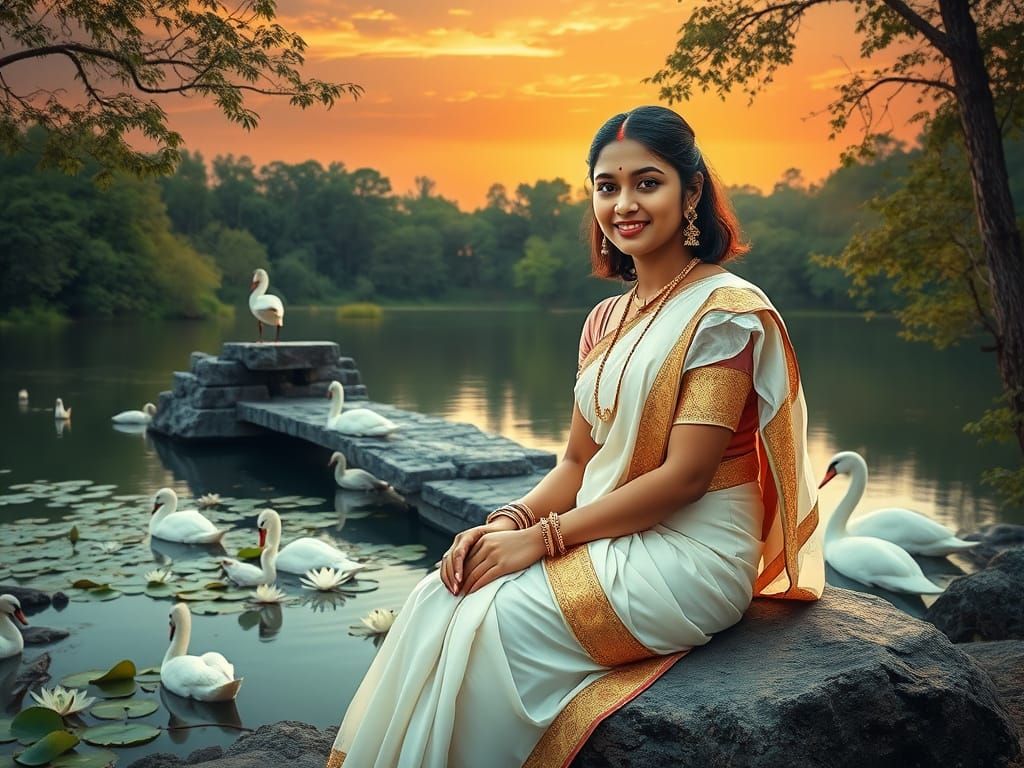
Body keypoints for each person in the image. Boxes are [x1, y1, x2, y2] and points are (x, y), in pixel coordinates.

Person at [326, 105, 824, 768]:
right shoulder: (603, 321)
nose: (624, 204)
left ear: (692, 191)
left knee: (492, 622)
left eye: (647, 183)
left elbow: (685, 479)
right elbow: (577, 461)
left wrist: (539, 543)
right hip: (609, 532)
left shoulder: (724, 315)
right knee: (439, 595)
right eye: (606, 187)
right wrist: (503, 523)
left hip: (693, 554)